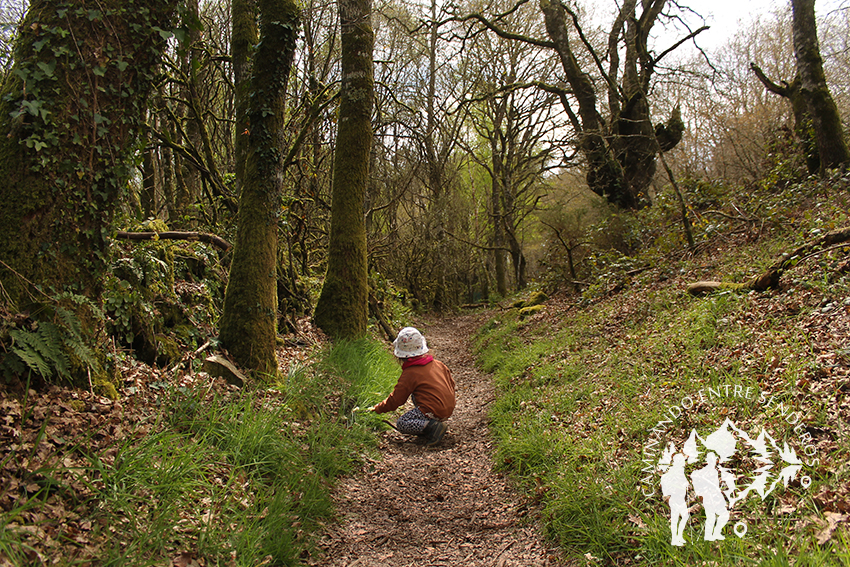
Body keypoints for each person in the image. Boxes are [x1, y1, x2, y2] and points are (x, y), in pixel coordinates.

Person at [369, 327, 456, 445]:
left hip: (434, 410)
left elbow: (397, 399)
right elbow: (451, 384)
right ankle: (431, 424)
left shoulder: (410, 373)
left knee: (402, 423)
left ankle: (432, 426)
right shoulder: (438, 364)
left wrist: (379, 408)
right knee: (417, 395)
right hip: (448, 407)